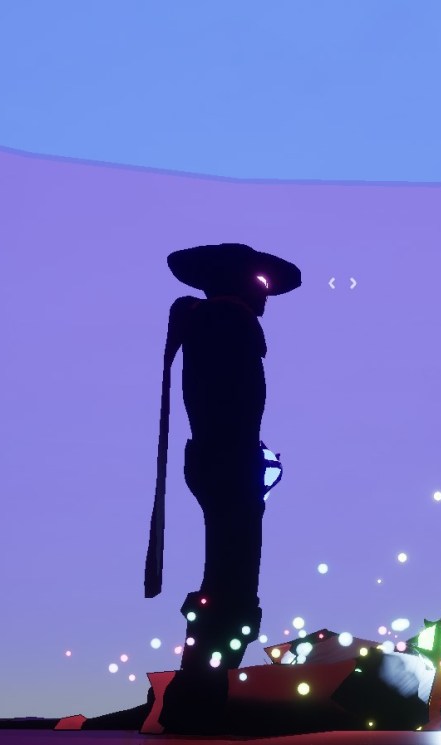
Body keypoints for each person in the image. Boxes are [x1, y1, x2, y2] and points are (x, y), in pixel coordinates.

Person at [143, 242, 301, 734]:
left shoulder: (215, 324)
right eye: (260, 284)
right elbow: (229, 407)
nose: (266, 294)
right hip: (229, 465)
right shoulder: (227, 325)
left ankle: (201, 696)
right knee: (231, 586)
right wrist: (244, 460)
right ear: (236, 284)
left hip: (226, 462)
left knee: (229, 582)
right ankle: (198, 700)